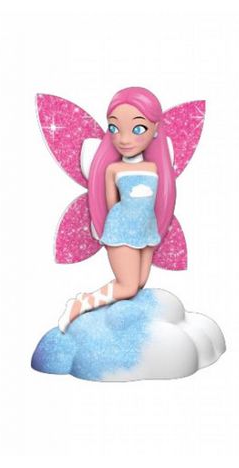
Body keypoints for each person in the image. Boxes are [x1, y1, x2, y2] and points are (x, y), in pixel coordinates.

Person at [58, 87, 176, 333]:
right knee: (127, 286)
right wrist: (122, 223)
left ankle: (123, 324)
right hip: (121, 228)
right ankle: (81, 304)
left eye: (137, 129)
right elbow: (111, 203)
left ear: (155, 128)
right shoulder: (114, 169)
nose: (123, 139)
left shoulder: (155, 168)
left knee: (139, 283)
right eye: (114, 128)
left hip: (147, 229)